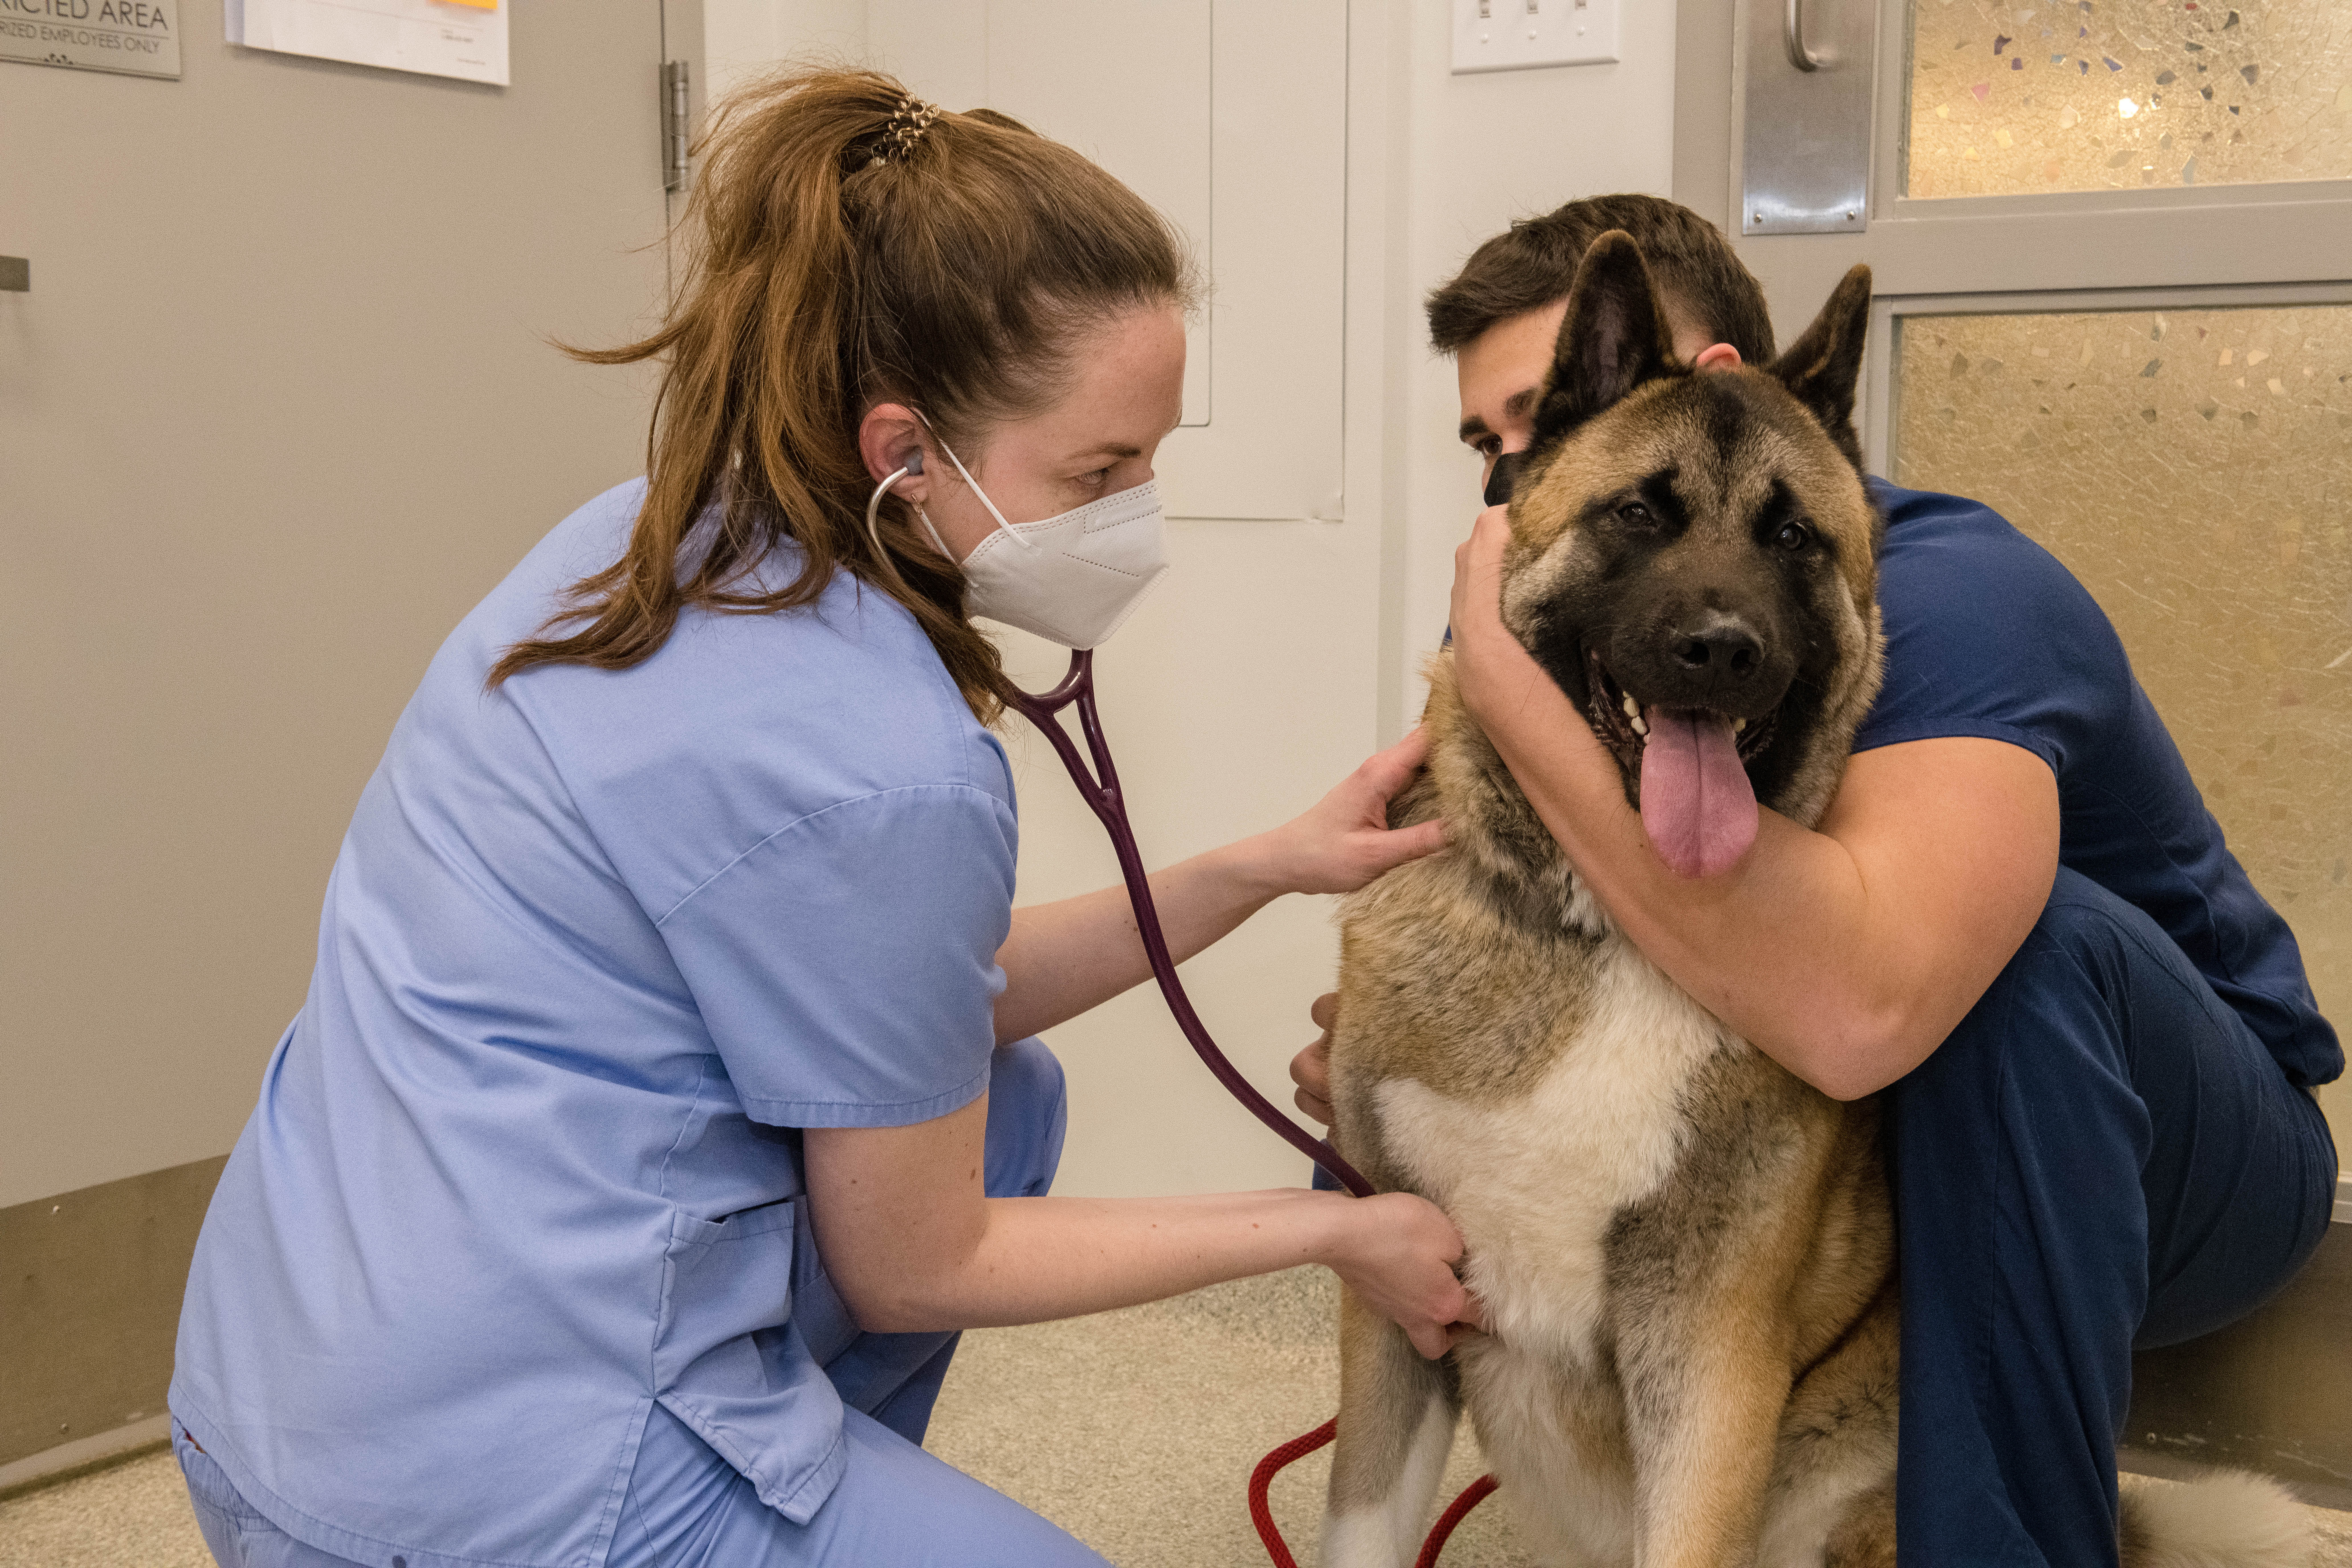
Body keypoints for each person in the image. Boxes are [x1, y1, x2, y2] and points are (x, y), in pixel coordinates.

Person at [168, 70, 1477, 1568]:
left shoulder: (639, 543)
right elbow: (921, 1258)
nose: (1138, 515)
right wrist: (1335, 1229)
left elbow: (908, 993)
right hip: (476, 1492)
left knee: (1015, 1095)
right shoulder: (881, 760)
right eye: (1104, 471)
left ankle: (795, 1485)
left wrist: (1260, 866)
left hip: (285, 1384)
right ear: (903, 453)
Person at [1289, 193, 2341, 1567]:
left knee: (2033, 956)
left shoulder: (1965, 595)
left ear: (1714, 384)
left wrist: (1493, 678)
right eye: (1497, 445)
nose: (1512, 477)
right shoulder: (1561, 565)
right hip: (1868, 1141)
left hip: (2164, 1145)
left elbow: (1862, 1012)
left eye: (1544, 412)